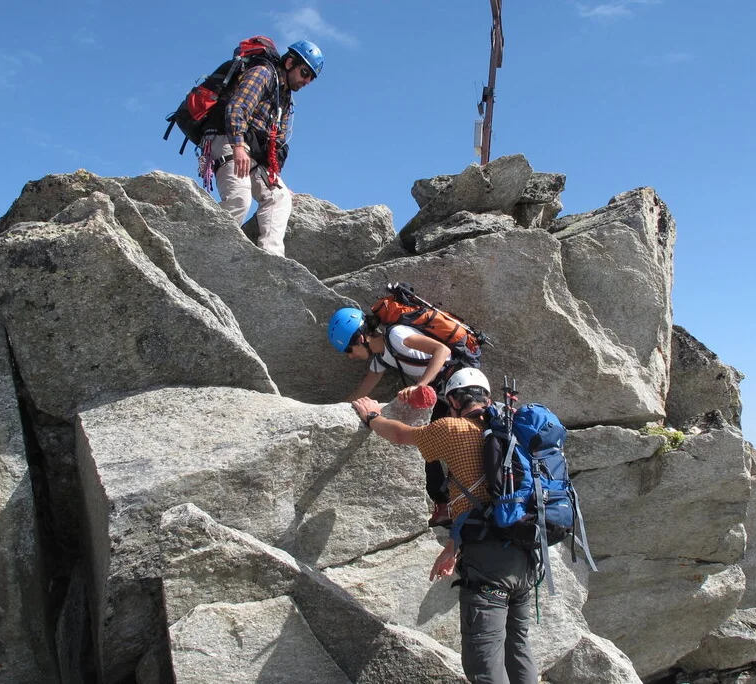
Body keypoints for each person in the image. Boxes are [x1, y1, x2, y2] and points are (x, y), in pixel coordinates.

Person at [350, 369, 538, 684]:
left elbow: (399, 434)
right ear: (487, 399)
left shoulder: (452, 428)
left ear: (453, 400)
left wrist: (371, 416)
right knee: (517, 649)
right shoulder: (513, 432)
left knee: (484, 663)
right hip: (525, 560)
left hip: (488, 570)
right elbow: (483, 499)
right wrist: (452, 546)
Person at [328, 306, 457, 525]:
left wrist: (420, 386)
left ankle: (451, 503)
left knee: (442, 443)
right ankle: (444, 504)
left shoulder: (397, 335)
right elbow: (361, 393)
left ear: (360, 338)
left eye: (349, 350)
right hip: (445, 396)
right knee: (424, 443)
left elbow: (442, 351)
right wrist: (329, 414)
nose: (350, 357)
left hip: (461, 387)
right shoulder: (382, 359)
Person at [201, 39, 323, 257]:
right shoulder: (263, 73)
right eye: (304, 73)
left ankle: (272, 259)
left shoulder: (285, 99)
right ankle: (208, 252)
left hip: (254, 154)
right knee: (239, 198)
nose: (307, 81)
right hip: (227, 139)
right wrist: (238, 145)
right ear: (289, 63)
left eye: (311, 78)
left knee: (280, 197)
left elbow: (278, 143)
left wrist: (275, 178)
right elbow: (237, 108)